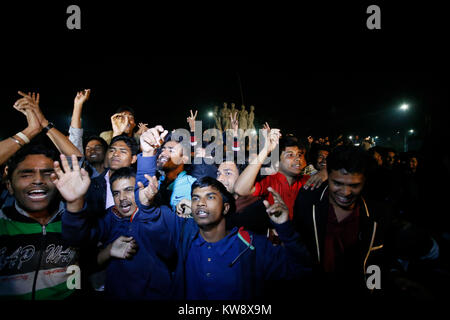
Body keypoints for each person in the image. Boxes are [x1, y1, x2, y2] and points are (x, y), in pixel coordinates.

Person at [136, 172, 312, 300]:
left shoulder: (251, 245)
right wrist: (145, 204)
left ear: (226, 208)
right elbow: (152, 220)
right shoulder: (184, 235)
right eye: (195, 198)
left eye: (210, 197)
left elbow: (302, 270)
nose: (201, 203)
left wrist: (285, 228)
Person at [59, 163, 176, 300]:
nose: (122, 198)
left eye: (128, 190)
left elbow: (171, 251)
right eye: (116, 193)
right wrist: (74, 206)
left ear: (141, 189)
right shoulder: (110, 217)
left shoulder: (161, 214)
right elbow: (78, 239)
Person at [293, 145, 392, 300]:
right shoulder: (308, 201)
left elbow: (376, 262)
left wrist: (374, 292)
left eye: (354, 185)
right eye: (338, 183)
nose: (346, 193)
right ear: (328, 177)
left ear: (364, 182)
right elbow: (295, 247)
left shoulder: (376, 214)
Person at [0, 145, 81, 300]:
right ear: (9, 186)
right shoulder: (2, 223)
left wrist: (74, 292)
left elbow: (79, 265)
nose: (38, 180)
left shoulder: (72, 221)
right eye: (26, 175)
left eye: (48, 173)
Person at [68, 89, 91, 155]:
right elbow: (75, 139)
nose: (92, 151)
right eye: (88, 148)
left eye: (98, 148)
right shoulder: (79, 164)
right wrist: (78, 104)